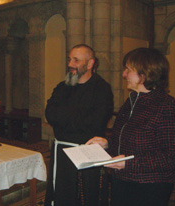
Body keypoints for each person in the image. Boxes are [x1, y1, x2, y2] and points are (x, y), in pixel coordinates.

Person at [87, 47, 175, 206]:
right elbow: (128, 138)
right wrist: (108, 143)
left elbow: (173, 156)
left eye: (128, 69)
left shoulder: (167, 105)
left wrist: (129, 163)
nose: (124, 74)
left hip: (149, 186)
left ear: (145, 73)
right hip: (123, 179)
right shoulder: (132, 100)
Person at [44, 44, 114, 206]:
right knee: (62, 194)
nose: (70, 64)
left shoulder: (101, 89)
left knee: (86, 196)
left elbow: (95, 122)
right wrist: (74, 117)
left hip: (87, 152)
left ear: (90, 64)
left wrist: (64, 118)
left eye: (76, 60)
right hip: (61, 152)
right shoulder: (63, 87)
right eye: (69, 59)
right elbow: (50, 114)